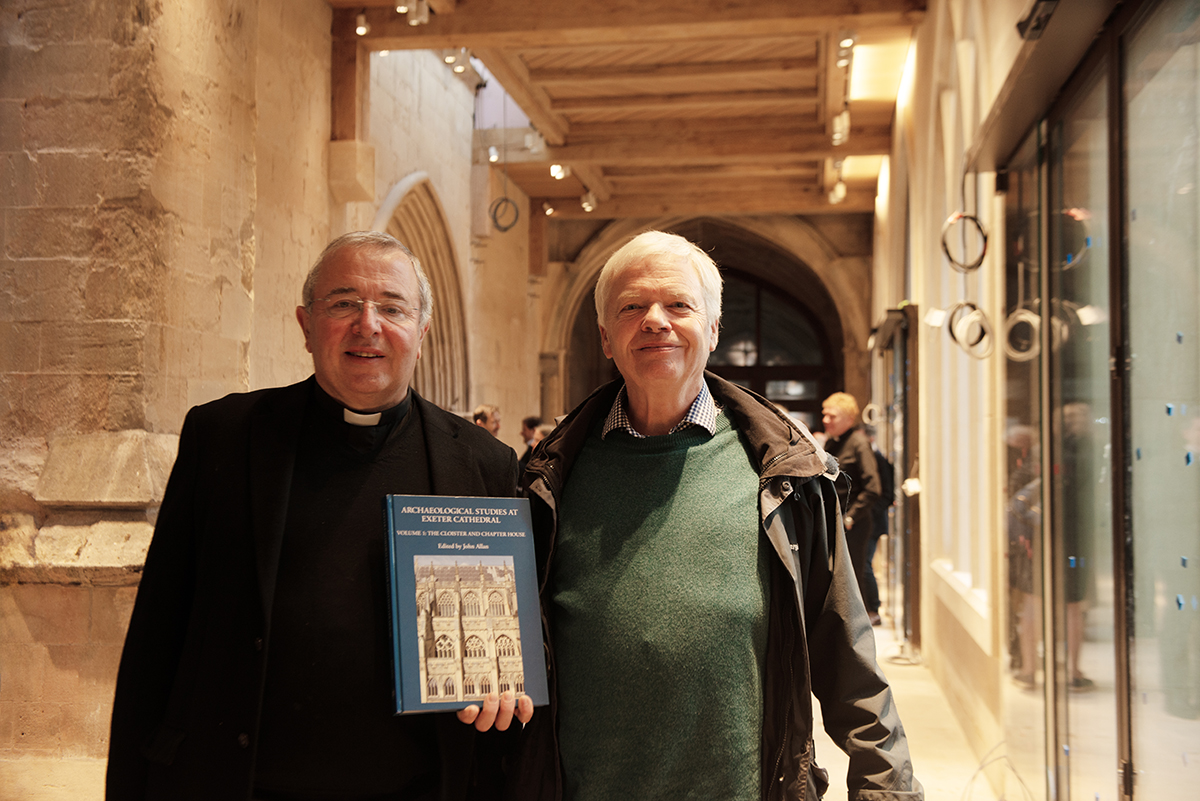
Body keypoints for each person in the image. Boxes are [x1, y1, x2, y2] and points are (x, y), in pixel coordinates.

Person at [107, 231, 532, 801]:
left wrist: (505, 690)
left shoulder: (483, 462)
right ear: (306, 326)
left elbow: (507, 644)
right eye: (343, 303)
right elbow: (157, 632)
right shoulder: (224, 437)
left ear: (422, 333)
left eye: (392, 308)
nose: (368, 325)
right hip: (243, 784)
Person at [513, 231, 922, 800]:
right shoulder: (546, 481)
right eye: (632, 307)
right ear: (605, 337)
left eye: (679, 304)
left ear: (713, 330)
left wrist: (887, 789)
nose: (655, 321)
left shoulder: (786, 476)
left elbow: (845, 654)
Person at [822, 392, 884, 626]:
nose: (826, 420)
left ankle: (857, 626)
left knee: (854, 574)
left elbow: (873, 488)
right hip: (836, 521)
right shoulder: (832, 442)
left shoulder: (859, 443)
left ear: (849, 418)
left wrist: (850, 518)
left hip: (854, 524)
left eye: (832, 416)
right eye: (824, 414)